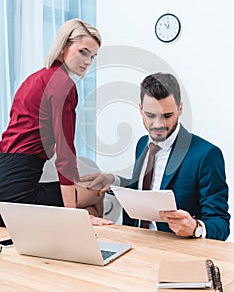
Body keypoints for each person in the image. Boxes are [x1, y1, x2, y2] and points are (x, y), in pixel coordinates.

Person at [81, 72, 230, 240]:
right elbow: (148, 191)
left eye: (167, 116)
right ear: (140, 109)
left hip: (175, 251)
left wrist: (196, 228)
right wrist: (114, 182)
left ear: (180, 109)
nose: (158, 125)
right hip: (134, 243)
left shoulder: (206, 155)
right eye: (150, 116)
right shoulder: (142, 144)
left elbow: (221, 222)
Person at [0, 18, 112, 227]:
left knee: (90, 189)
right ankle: (88, 245)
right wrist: (72, 214)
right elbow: (65, 153)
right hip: (18, 196)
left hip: (4, 181)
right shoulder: (63, 85)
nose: (88, 61)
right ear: (63, 47)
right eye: (83, 52)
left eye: (93, 56)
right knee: (97, 191)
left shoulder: (35, 77)